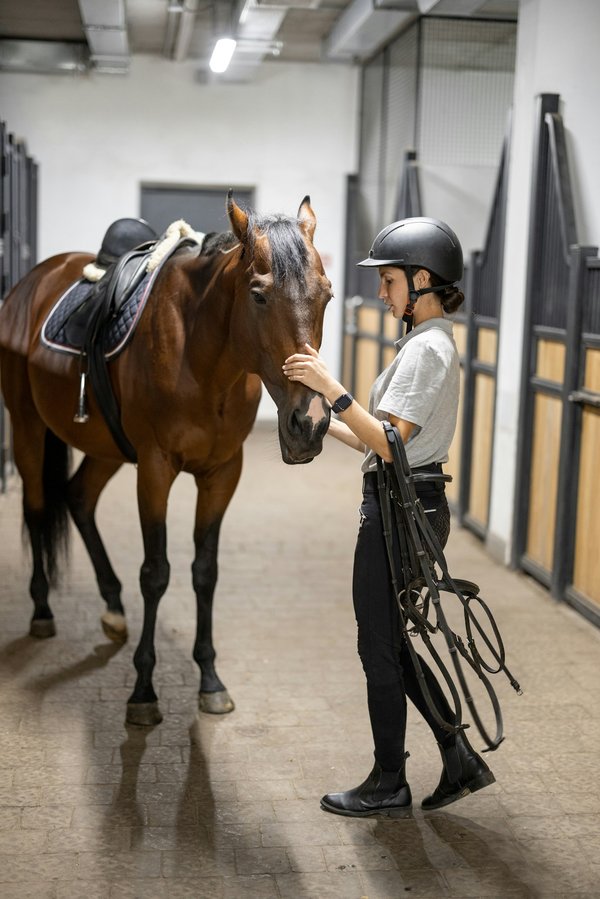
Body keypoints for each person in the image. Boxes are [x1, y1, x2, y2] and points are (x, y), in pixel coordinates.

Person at [282, 217, 495, 818]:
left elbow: (395, 443)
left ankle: (388, 781)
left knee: (376, 647)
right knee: (390, 643)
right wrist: (329, 418)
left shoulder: (429, 348)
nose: (382, 292)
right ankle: (456, 755)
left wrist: (334, 386)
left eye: (390, 280)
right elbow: (381, 443)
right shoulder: (421, 345)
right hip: (399, 498)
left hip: (402, 509)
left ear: (421, 279)